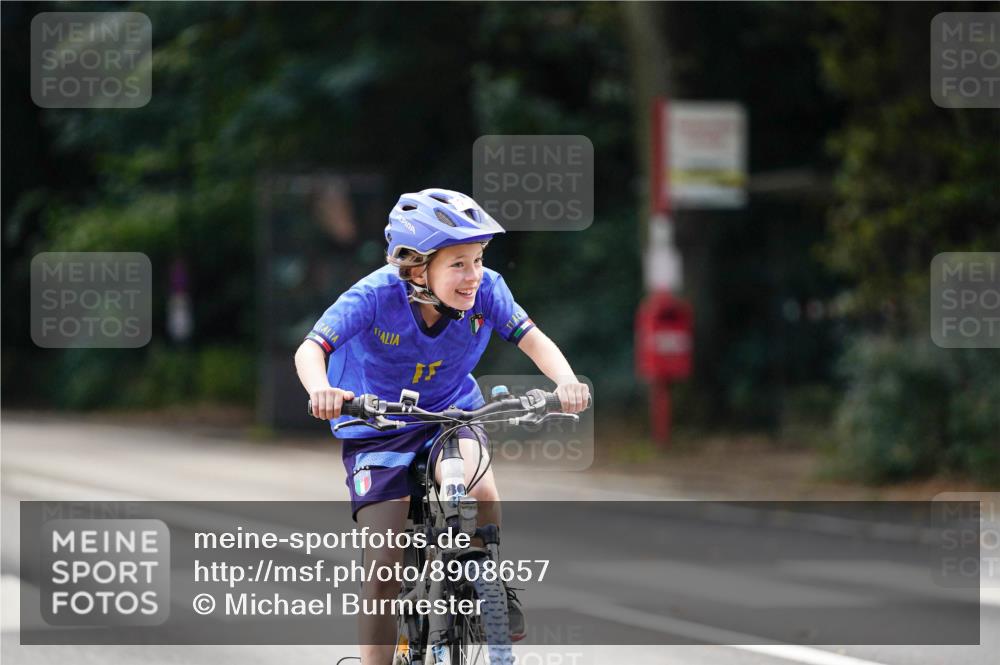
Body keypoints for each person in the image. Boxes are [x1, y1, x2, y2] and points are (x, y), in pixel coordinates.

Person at [294, 187, 590, 665]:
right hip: (377, 425)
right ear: (416, 268)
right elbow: (311, 349)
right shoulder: (373, 296)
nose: (473, 275)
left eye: (476, 259)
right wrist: (320, 391)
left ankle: (489, 585)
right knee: (384, 558)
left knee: (483, 494)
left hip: (452, 412)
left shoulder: (488, 289)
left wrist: (566, 381)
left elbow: (534, 340)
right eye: (458, 263)